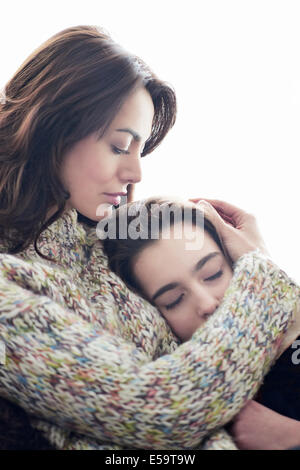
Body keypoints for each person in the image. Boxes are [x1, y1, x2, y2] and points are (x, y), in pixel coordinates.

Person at [0, 25, 299, 451]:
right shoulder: (11, 285)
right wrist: (263, 275)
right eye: (121, 146)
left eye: (141, 152)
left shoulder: (113, 242)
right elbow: (164, 410)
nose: (136, 173)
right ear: (52, 129)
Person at [102, 196, 300, 450]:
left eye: (213, 273)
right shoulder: (177, 401)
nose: (207, 303)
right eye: (174, 300)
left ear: (236, 260)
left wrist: (288, 436)